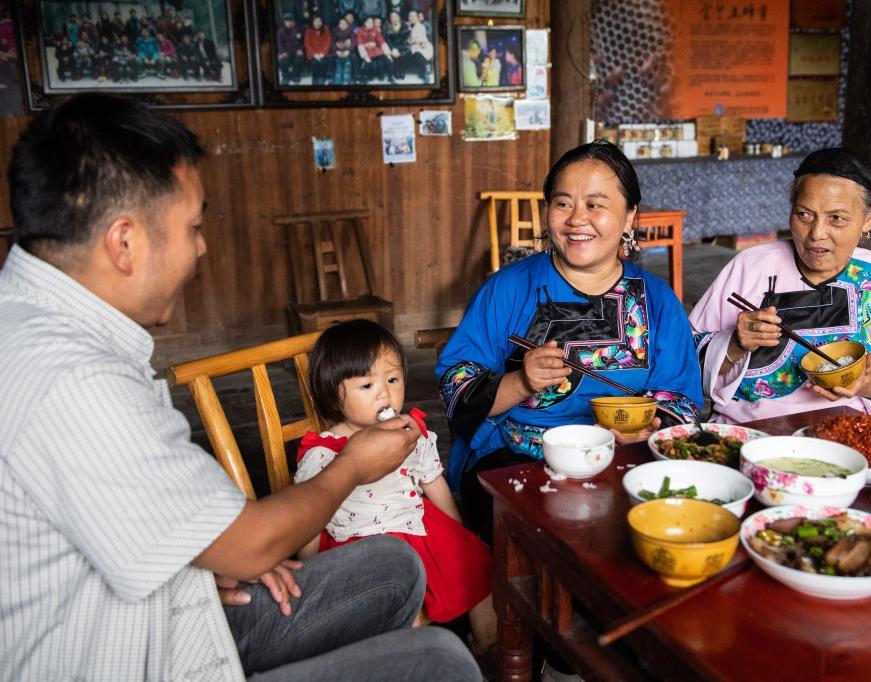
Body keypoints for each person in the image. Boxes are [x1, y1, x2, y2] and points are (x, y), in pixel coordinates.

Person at [0, 93, 480, 681]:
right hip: (147, 658)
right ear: (124, 243)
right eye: (193, 228)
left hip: (178, 607)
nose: (202, 247)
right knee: (440, 662)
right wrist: (353, 466)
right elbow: (251, 545)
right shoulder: (74, 376)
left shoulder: (33, 326)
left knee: (396, 565)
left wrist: (199, 559)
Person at [436, 140, 703, 544]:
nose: (577, 218)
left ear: (629, 216)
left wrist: (650, 426)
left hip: (624, 458)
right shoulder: (508, 288)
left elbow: (680, 398)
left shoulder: (657, 300)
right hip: (518, 457)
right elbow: (456, 384)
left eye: (595, 204)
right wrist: (520, 382)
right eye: (563, 203)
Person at [689, 147, 871, 429]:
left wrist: (870, 386)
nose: (817, 234)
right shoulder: (749, 267)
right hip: (751, 430)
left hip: (854, 431)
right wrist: (735, 343)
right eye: (804, 214)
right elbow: (684, 357)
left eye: (837, 219)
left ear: (869, 217)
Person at [294, 320, 497, 658]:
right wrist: (309, 571)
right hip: (359, 543)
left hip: (417, 526)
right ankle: (403, 660)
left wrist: (460, 534)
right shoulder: (323, 453)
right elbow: (310, 513)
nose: (384, 393)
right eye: (366, 385)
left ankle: (490, 644)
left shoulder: (408, 433)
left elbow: (433, 482)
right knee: (390, 600)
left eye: (392, 379)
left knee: (476, 563)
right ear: (333, 394)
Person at [276, 12, 304, 85]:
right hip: (286, 51)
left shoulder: (299, 29)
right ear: (284, 22)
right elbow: (280, 43)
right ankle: (286, 76)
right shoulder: (280, 31)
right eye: (287, 21)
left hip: (297, 50)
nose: (289, 23)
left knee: (299, 60)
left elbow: (302, 42)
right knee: (282, 62)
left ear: (294, 21)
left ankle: (295, 75)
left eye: (291, 21)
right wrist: (283, 52)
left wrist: (300, 49)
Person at [303, 15, 332, 85]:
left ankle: (322, 81)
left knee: (323, 63)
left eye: (319, 21)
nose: (317, 23)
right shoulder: (308, 31)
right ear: (312, 22)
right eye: (316, 21)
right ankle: (315, 82)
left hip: (323, 53)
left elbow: (328, 42)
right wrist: (315, 54)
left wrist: (322, 53)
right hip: (312, 54)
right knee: (314, 63)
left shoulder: (326, 29)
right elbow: (307, 44)